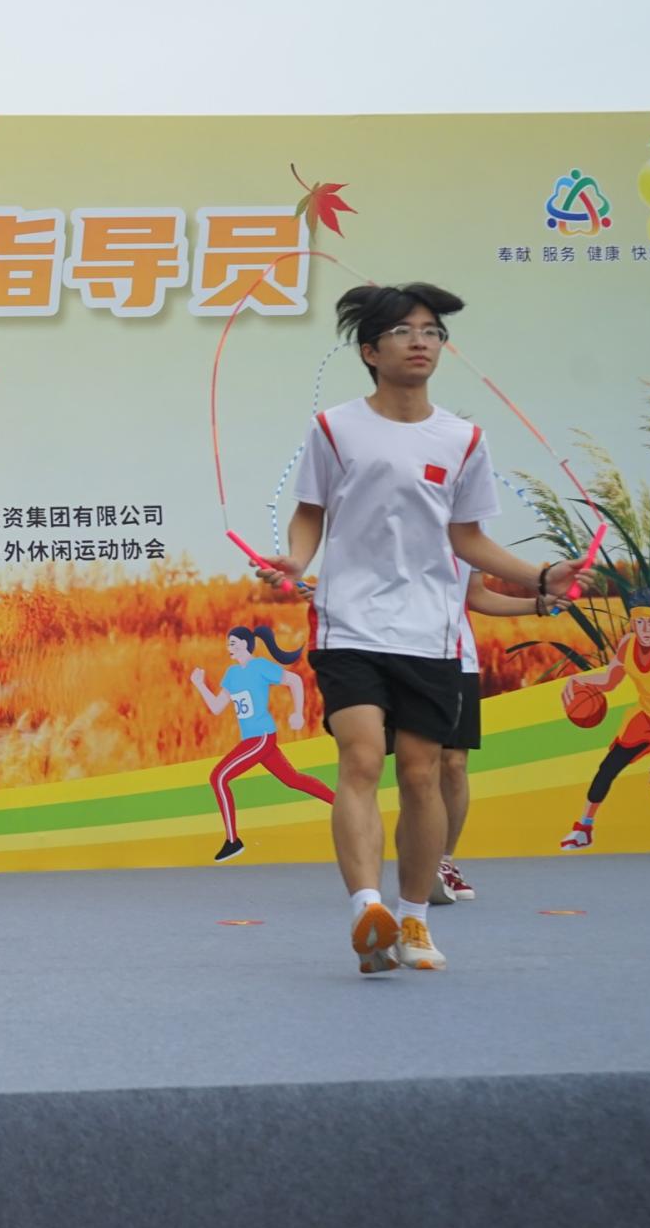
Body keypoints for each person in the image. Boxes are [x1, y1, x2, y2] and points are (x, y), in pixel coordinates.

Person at [263, 283, 583, 975]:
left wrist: (540, 576)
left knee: (421, 774)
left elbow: (470, 540)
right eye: (404, 332)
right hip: (349, 624)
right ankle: (367, 910)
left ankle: (413, 919)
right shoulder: (334, 428)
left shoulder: (463, 439)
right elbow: (311, 512)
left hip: (430, 633)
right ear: (370, 352)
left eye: (432, 331)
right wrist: (296, 559)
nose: (421, 342)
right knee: (360, 759)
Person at [434, 571, 550, 902]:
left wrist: (538, 604)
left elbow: (476, 595)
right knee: (417, 765)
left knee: (454, 763)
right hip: (398, 655)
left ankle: (443, 863)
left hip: (457, 660)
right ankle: (419, 862)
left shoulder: (465, 540)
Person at [557, 591, 650, 850]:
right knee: (608, 767)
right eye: (640, 622)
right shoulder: (628, 644)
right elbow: (610, 681)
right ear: (633, 623)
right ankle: (584, 828)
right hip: (647, 717)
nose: (645, 629)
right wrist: (577, 680)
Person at [189, 624, 331, 863]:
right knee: (292, 779)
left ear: (245, 644)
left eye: (233, 643)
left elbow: (295, 680)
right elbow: (216, 707)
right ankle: (341, 804)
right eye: (227, 644)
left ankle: (233, 841)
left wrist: (298, 713)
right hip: (252, 739)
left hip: (261, 737)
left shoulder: (260, 667)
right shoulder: (232, 674)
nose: (228, 648)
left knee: (218, 778)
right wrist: (200, 684)